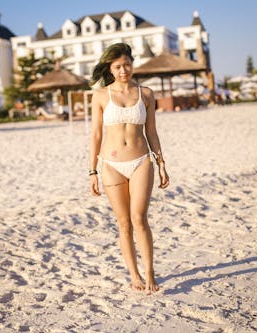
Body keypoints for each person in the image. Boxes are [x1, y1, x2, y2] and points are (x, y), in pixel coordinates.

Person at [89, 43, 169, 294]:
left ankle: (149, 272)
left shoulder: (146, 93)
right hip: (111, 165)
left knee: (139, 219)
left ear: (132, 64)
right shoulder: (101, 95)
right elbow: (95, 135)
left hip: (141, 161)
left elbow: (152, 131)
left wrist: (161, 163)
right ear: (109, 69)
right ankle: (133, 274)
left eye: (127, 64)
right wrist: (92, 171)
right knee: (124, 223)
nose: (123, 70)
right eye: (117, 66)